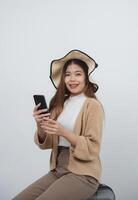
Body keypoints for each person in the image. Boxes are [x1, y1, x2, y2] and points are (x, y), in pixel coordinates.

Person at [13, 49, 104, 200]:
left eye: (78, 74)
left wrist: (64, 132)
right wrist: (39, 124)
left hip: (83, 173)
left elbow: (92, 148)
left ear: (86, 77)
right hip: (58, 169)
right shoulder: (59, 105)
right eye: (67, 74)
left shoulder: (92, 105)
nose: (72, 79)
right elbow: (46, 143)